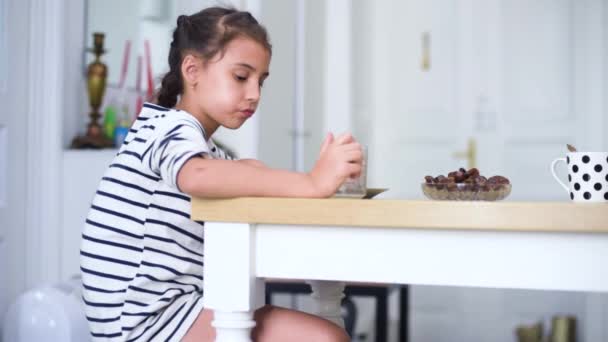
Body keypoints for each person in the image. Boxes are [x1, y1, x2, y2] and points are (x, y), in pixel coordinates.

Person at [80, 6, 362, 342]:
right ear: (192, 69)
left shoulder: (194, 142)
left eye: (260, 81)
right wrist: (312, 182)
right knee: (326, 338)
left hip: (168, 310)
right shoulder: (171, 128)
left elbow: (233, 171)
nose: (255, 93)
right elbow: (196, 175)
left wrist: (312, 179)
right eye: (241, 77)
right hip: (147, 321)